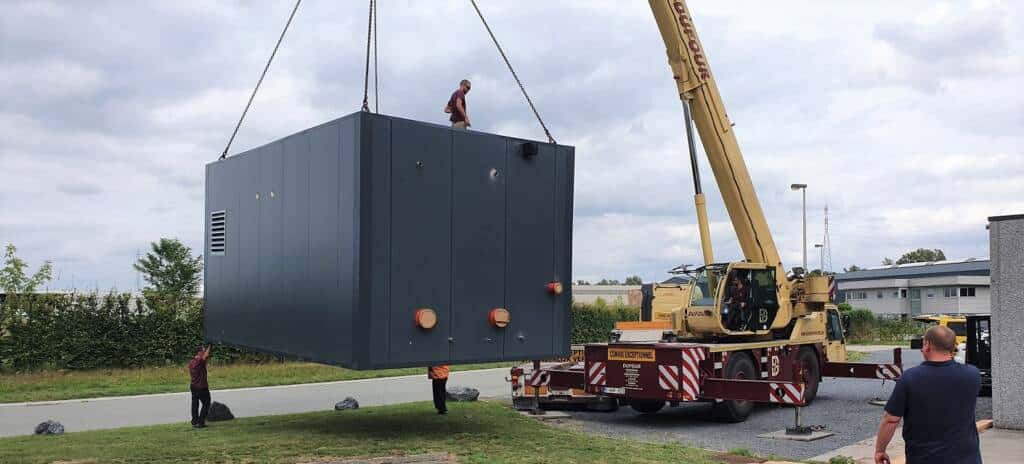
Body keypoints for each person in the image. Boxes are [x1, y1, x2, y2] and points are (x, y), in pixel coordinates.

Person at [874, 325, 981, 464]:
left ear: (927, 345)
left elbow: (890, 420)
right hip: (967, 458)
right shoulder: (973, 375)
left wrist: (880, 450)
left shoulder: (910, 378)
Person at [188, 345, 212, 428]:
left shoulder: (191, 362)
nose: (205, 352)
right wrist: (210, 345)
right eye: (203, 351)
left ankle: (194, 421)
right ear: (199, 352)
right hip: (201, 387)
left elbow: (205, 357)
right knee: (206, 403)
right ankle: (201, 422)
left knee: (195, 404)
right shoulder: (199, 361)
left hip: (193, 386)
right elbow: (206, 356)